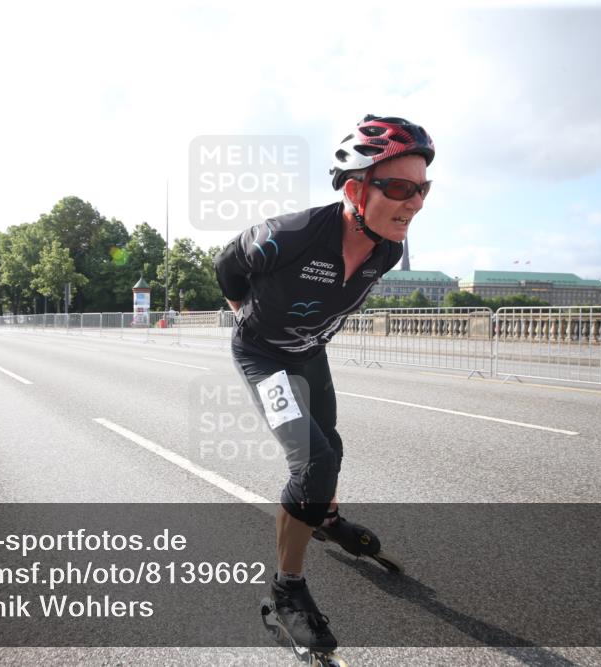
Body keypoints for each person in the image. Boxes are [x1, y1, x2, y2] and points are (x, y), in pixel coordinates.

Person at [214, 115, 434, 653]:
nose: (416, 203)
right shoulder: (285, 237)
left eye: (423, 189)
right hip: (264, 357)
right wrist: (241, 308)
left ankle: (325, 516)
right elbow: (227, 263)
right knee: (312, 461)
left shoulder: (387, 249)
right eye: (402, 188)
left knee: (330, 446)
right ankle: (285, 592)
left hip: (310, 355)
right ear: (356, 188)